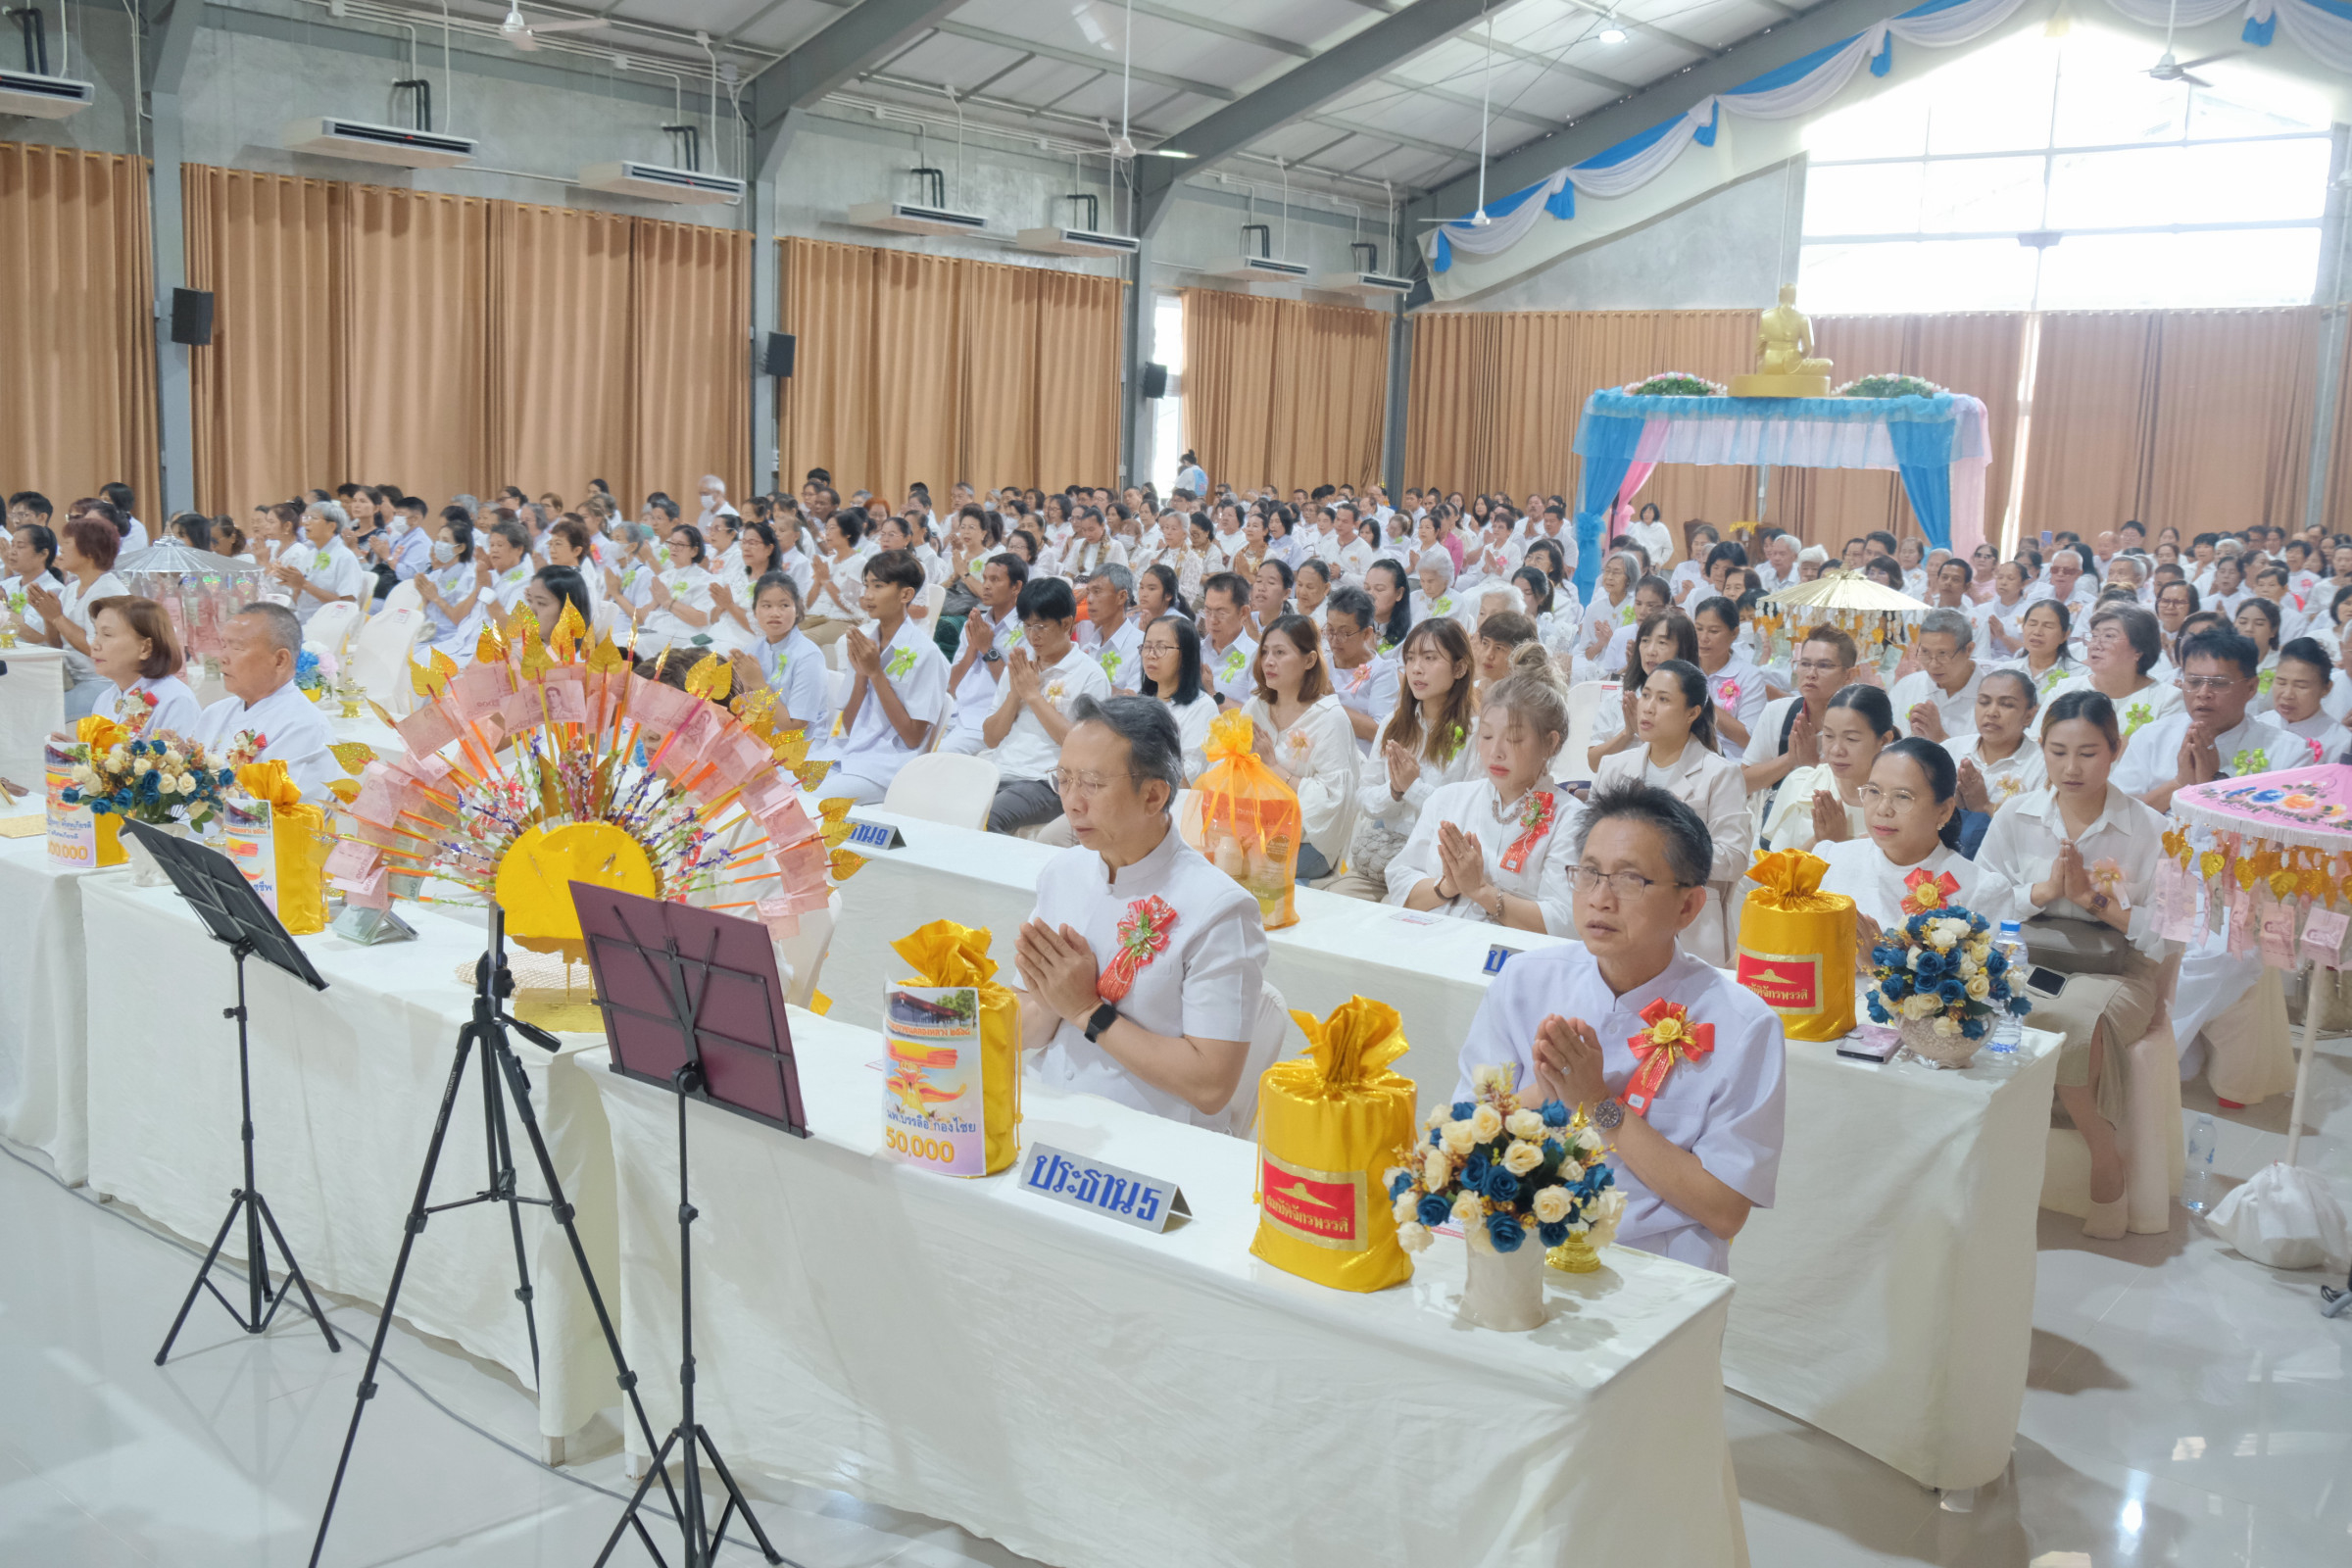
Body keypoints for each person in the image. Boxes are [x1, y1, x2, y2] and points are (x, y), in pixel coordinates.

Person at [1452, 783, 1786, 1274]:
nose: (1600, 899)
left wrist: (1599, 1105)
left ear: (1688, 907)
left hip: (1655, 1264)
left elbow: (1724, 1209)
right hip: (1518, 1245)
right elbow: (1460, 1141)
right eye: (1588, 874)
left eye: (1630, 880)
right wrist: (1544, 1094)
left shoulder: (1742, 1024)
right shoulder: (1525, 982)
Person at [1012, 696, 1268, 1128]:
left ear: (1153, 796)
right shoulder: (1063, 873)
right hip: (1050, 1108)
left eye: (1092, 784)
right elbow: (1025, 1027)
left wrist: (1088, 1011)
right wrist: (1051, 996)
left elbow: (1210, 1085)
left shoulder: (1218, 909)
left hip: (1150, 1135)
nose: (1072, 803)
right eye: (1064, 779)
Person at [1978, 691, 2172, 1240]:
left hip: (2118, 967)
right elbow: (1982, 899)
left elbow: (2167, 930)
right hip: (2027, 950)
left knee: (2074, 1022)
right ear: (2041, 749)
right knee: (1979, 1001)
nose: (2070, 767)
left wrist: (2095, 902)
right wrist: (2045, 890)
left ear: (2116, 750)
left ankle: (2105, 1160)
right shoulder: (2017, 814)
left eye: (2088, 752)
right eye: (2058, 751)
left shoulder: (2148, 827)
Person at [1387, 643, 1582, 934]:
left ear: (1551, 743)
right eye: (1487, 736)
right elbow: (1401, 881)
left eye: (1514, 739)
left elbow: (1565, 921)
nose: (1495, 752)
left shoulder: (1570, 818)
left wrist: (1480, 891)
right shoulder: (1448, 799)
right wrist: (1447, 886)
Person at [1592, 660, 1749, 964]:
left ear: (1692, 713)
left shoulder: (1719, 774)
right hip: (1617, 909)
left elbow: (1735, 858)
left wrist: (1664, 855)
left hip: (1689, 924)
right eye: (1646, 695)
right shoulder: (1613, 767)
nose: (1648, 708)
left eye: (1663, 700)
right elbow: (1587, 842)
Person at [1330, 617, 1478, 903]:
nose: (1416, 668)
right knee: (1333, 907)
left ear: (1459, 668)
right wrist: (1395, 791)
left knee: (1393, 925)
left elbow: (1468, 816)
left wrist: (1414, 788)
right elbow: (1364, 798)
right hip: (1383, 859)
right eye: (1410, 659)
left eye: (1430, 658)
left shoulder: (1475, 733)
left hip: (1433, 868)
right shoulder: (1393, 724)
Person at [1816, 737, 2004, 948]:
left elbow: (1988, 979)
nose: (1883, 809)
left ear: (1944, 811)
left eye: (1903, 797)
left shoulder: (1981, 889)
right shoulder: (1831, 859)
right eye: (1874, 792)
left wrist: (1879, 966)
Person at [813, 549, 950, 805]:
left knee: (809, 803)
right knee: (781, 785)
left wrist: (875, 673)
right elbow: (852, 727)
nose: (868, 595)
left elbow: (912, 737)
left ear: (905, 594)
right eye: (866, 585)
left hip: (886, 766)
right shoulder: (866, 644)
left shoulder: (926, 654)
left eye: (878, 586)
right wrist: (862, 676)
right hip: (849, 753)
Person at [2112, 627, 2297, 811]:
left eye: (2218, 683)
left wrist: (2214, 783)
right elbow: (2118, 817)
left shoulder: (2288, 752)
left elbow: (2288, 829)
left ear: (2251, 688)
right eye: (2193, 682)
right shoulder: (2151, 738)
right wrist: (2180, 783)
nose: (2203, 693)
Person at [983, 576, 1114, 834]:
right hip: (1000, 770)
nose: (1032, 636)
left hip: (1049, 782)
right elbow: (990, 738)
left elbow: (1084, 748)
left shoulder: (1090, 675)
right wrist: (1016, 693)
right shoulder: (1021, 665)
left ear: (1066, 623)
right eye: (1027, 626)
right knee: (947, 802)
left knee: (989, 816)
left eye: (1040, 627)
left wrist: (1033, 696)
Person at [1240, 614, 1356, 882]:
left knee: (1254, 875)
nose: (1268, 661)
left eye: (1280, 652)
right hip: (1255, 829)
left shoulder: (1329, 718)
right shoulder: (1255, 707)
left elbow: (1333, 801)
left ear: (1309, 660)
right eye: (1265, 651)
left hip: (1307, 840)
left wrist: (1273, 768)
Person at [187, 604, 338, 798]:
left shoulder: (304, 727)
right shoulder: (214, 712)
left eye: (237, 647)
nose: (222, 657)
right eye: (223, 645)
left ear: (280, 660)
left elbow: (269, 813)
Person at [1760, 683, 1894, 854]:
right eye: (1829, 736)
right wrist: (1820, 841)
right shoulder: (1803, 785)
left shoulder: (1899, 800)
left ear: (1884, 740)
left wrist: (1838, 846)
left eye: (1851, 739)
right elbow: (1777, 875)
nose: (1836, 750)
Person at [23, 514, 129, 717]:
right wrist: (48, 616)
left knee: (43, 715)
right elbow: (56, 645)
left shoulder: (109, 592)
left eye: (67, 543)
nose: (61, 549)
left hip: (102, 683)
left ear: (89, 551)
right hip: (70, 678)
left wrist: (58, 618)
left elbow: (99, 649)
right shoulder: (71, 589)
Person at [2047, 603, 2181, 746]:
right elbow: (2039, 745)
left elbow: (2163, 759)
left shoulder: (2168, 700)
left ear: (2138, 650)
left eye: (2109, 636)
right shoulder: (2065, 689)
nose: (2095, 645)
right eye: (2093, 635)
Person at [1588, 610, 1697, 772]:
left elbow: (1696, 764)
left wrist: (1645, 733)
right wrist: (1628, 733)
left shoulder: (1693, 702)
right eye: (1645, 641)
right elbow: (1594, 764)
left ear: (1683, 650)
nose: (1650, 651)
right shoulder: (1621, 698)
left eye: (1662, 643)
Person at [728, 571, 831, 740]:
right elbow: (744, 712)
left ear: (797, 610)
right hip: (756, 737)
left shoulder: (809, 656)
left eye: (784, 605)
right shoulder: (751, 650)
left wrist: (758, 684)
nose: (775, 613)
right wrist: (743, 684)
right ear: (755, 611)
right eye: (766, 606)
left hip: (796, 747)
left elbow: (795, 729)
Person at [82, 596, 203, 737]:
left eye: (107, 634)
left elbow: (179, 758)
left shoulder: (175, 700)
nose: (95, 645)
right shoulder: (105, 698)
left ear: (145, 648)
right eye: (96, 634)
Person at [1949, 666, 2048, 818]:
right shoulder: (1951, 750)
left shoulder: (2042, 765)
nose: (1992, 712)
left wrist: (1984, 806)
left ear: (2029, 716)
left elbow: (2035, 829)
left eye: (2007, 704)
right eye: (1984, 702)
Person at [1138, 612, 1217, 783]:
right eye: (1146, 646)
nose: (1151, 654)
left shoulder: (1202, 706)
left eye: (1161, 647)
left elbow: (1189, 776)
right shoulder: (1141, 702)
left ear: (1185, 655)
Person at [268, 501, 368, 629]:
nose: (306, 523)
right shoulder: (309, 555)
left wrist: (304, 585)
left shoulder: (345, 558)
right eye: (305, 518)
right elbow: (299, 601)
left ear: (331, 526)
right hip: (303, 621)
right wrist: (293, 584)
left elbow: (347, 605)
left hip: (330, 626)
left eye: (313, 518)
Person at [1887, 609, 1983, 741]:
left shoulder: (1991, 697)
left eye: (1943, 654)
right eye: (1925, 652)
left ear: (1968, 650)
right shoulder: (1906, 688)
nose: (1933, 664)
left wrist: (1939, 738)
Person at [1322, 584, 1398, 750]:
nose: (1335, 639)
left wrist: (1331, 703)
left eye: (1345, 633)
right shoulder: (1321, 664)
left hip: (1359, 760)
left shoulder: (1383, 671)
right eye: (1330, 630)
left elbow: (1379, 731)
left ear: (1366, 634)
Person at [1691, 596, 1766, 763]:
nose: (1704, 637)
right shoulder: (1684, 668)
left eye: (1713, 631)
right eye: (1699, 628)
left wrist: (1704, 703)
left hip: (1731, 763)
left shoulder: (1749, 676)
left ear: (1734, 633)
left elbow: (1749, 739)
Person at [2265, 637, 2339, 761]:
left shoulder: (2340, 743)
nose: (2288, 695)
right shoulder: (2259, 724)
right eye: (2281, 683)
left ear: (2326, 688)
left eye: (2301, 686)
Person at [1197, 571, 1258, 707]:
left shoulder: (1256, 657)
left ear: (1243, 613)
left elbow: (1256, 716)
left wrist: (1212, 692)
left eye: (1221, 613)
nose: (1212, 620)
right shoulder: (1194, 650)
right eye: (1207, 611)